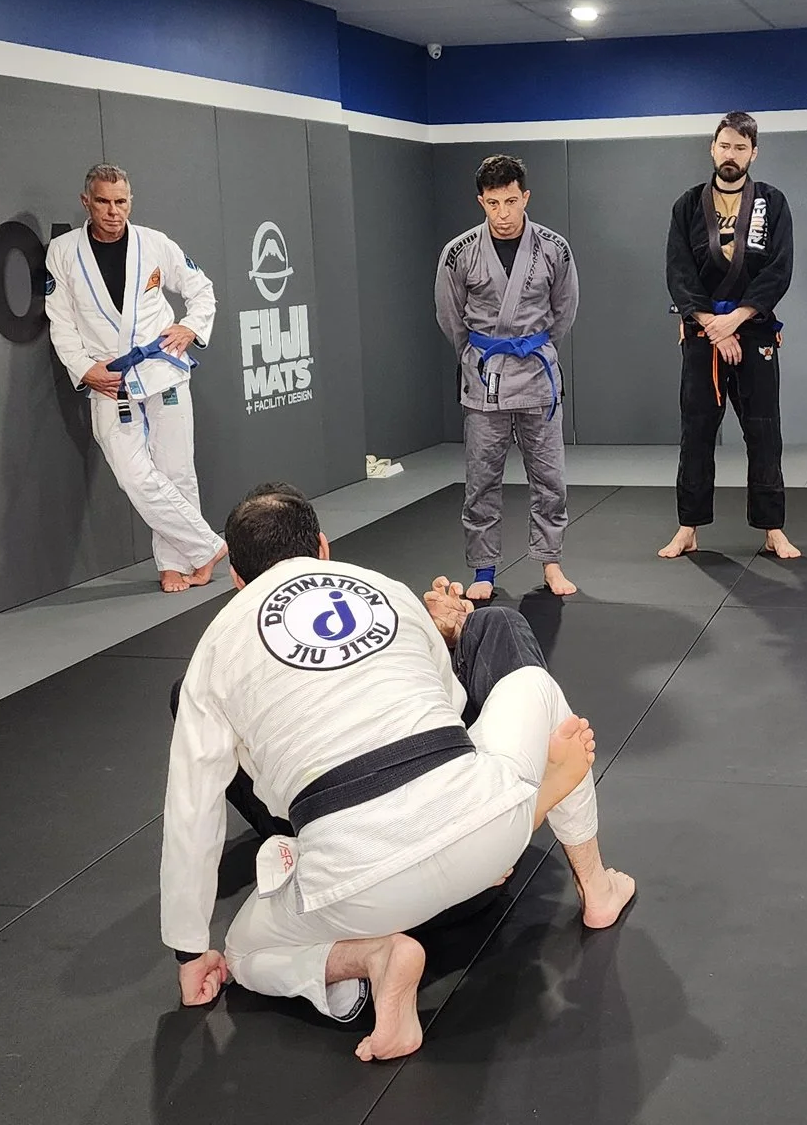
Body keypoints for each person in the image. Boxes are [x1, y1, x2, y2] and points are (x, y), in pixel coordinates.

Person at [162, 484, 637, 1062]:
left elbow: (193, 809)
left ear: (235, 577)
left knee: (243, 951)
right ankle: (597, 887)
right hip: (479, 835)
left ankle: (373, 958)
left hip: (353, 885)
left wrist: (190, 952)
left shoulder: (214, 648)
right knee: (532, 687)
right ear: (322, 546)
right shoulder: (383, 589)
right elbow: (453, 699)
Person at [44, 163, 226, 593]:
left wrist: (191, 327)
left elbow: (201, 289)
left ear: (131, 201)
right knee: (133, 475)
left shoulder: (155, 244)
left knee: (177, 472)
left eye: (120, 201)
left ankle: (174, 564)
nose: (113, 211)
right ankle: (207, 547)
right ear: (86, 201)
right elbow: (60, 320)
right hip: (108, 377)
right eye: (103, 202)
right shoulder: (63, 252)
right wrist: (84, 369)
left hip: (162, 369)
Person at [436, 155, 582, 602]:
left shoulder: (554, 248)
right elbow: (450, 316)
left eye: (512, 201)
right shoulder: (458, 252)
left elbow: (565, 309)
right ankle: (484, 569)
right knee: (482, 479)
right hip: (485, 378)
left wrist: (537, 347)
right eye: (493, 203)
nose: (503, 213)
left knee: (549, 477)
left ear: (526, 198)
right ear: (481, 201)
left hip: (536, 374)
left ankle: (551, 562)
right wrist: (474, 355)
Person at [660, 111, 801, 561]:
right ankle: (688, 527)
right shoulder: (687, 205)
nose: (731, 154)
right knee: (696, 432)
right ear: (712, 147)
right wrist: (712, 326)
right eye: (725, 145)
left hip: (754, 331)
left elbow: (779, 270)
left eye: (741, 148)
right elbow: (679, 272)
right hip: (703, 335)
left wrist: (736, 319)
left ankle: (772, 528)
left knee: (764, 432)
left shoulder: (772, 203)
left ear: (753, 153)